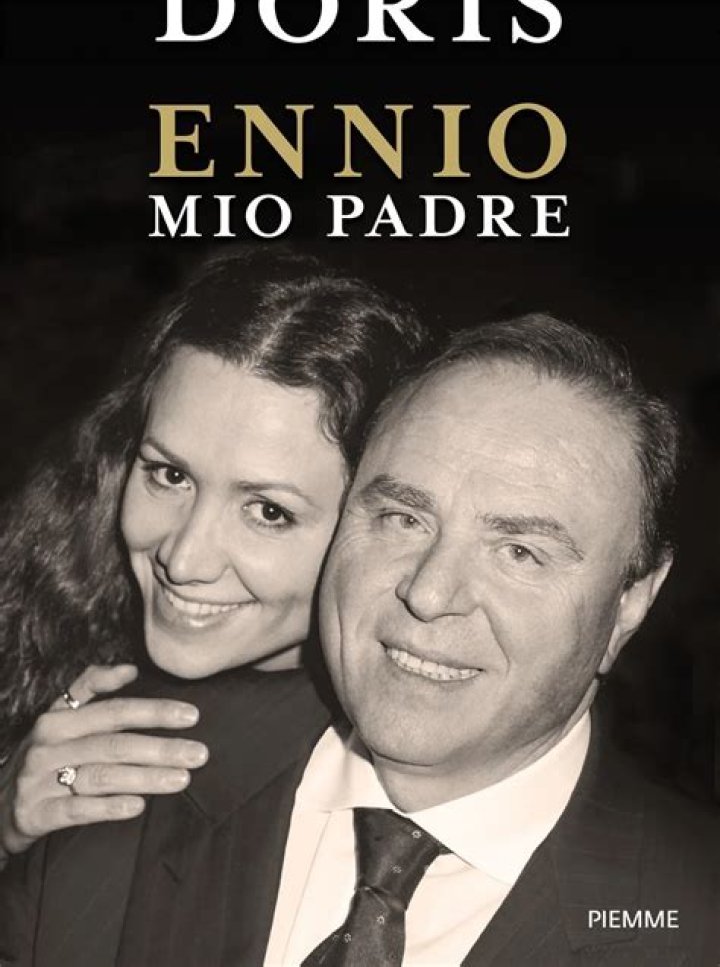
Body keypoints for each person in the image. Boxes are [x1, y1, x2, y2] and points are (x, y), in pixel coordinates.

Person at [4, 313, 720, 966]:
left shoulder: (689, 924)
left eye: (520, 552)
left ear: (631, 602)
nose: (429, 593)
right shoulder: (104, 786)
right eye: (403, 518)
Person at [0, 247, 428, 872]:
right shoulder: (33, 609)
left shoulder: (404, 759)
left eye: (269, 512)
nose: (183, 558)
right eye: (169, 475)